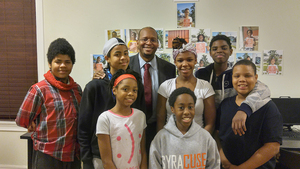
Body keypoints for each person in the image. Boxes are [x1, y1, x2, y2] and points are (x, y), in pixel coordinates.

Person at [78, 38, 146, 169]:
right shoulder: (94, 86)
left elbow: (140, 122)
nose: (123, 58)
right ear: (107, 58)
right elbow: (83, 128)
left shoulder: (136, 85)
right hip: (100, 156)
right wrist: (86, 160)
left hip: (129, 155)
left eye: (126, 53)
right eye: (117, 54)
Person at [15, 38, 82, 169]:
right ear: (50, 64)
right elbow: (21, 119)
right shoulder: (39, 90)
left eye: (67, 62)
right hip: (48, 155)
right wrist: (31, 123)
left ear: (72, 65)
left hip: (73, 154)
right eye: (58, 61)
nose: (63, 65)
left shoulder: (76, 89)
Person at [195, 35, 271, 136]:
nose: (219, 51)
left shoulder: (236, 74)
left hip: (230, 125)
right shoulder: (201, 74)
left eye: (224, 48)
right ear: (210, 52)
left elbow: (264, 90)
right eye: (215, 49)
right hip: (205, 126)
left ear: (231, 51)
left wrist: (245, 109)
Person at [216, 60, 282, 168]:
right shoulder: (224, 104)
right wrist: (224, 161)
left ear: (256, 78)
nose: (242, 80)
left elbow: (273, 146)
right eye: (237, 76)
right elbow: (217, 134)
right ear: (232, 78)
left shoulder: (268, 107)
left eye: (247, 76)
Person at [129, 26, 176, 153]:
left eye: (153, 40)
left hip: (160, 126)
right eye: (144, 39)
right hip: (132, 126)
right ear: (137, 42)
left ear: (157, 44)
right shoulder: (127, 66)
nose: (148, 43)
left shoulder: (169, 68)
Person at [149, 87, 220, 169]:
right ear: (172, 109)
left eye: (190, 107)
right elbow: (154, 165)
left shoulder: (205, 137)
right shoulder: (161, 138)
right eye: (181, 108)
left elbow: (214, 165)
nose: (186, 112)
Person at [157, 43, 216, 134]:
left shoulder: (205, 86)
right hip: (170, 140)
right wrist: (163, 141)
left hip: (198, 141)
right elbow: (160, 120)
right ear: (175, 62)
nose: (185, 64)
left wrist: (201, 141)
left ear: (195, 61)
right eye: (180, 60)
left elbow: (210, 123)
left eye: (189, 60)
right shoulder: (165, 86)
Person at [96, 69, 147, 169]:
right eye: (125, 89)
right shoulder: (105, 118)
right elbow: (106, 160)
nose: (131, 93)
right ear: (114, 90)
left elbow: (143, 151)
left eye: (134, 90)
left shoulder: (140, 116)